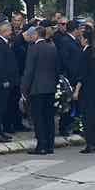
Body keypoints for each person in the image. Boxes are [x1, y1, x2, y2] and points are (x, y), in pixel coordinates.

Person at [21, 25, 60, 154]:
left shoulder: (34, 48)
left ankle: (41, 145)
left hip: (37, 88)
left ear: (37, 35)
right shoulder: (52, 47)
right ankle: (50, 145)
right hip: (50, 88)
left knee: (38, 118)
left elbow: (29, 71)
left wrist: (24, 89)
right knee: (49, 117)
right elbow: (56, 69)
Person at [76, 22, 95, 154]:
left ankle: (90, 143)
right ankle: (93, 140)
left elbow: (82, 75)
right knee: (94, 115)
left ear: (85, 39)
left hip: (88, 90)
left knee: (87, 117)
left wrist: (76, 90)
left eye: (81, 38)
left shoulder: (86, 53)